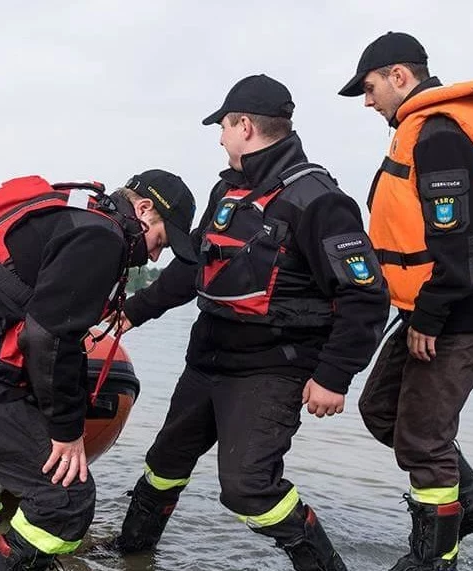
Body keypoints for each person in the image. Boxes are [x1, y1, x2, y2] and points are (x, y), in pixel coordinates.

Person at [107, 75, 390, 571]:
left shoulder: (319, 200)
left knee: (248, 488)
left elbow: (366, 296)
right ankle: (130, 555)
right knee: (162, 467)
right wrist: (132, 312)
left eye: (222, 126)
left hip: (272, 368)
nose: (218, 137)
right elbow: (195, 264)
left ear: (244, 126)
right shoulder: (227, 189)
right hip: (207, 359)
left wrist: (332, 376)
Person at [0, 172, 197, 570]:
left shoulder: (78, 212)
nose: (157, 256)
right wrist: (66, 431)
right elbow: (49, 337)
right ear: (144, 210)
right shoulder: (101, 238)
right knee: (67, 500)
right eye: (161, 241)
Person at [338, 32, 473, 570]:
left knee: (422, 438)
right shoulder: (438, 126)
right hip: (437, 302)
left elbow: (461, 243)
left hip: (460, 306)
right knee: (379, 410)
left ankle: (436, 560)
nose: (367, 102)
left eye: (369, 89)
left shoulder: (437, 132)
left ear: (399, 76)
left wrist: (432, 318)